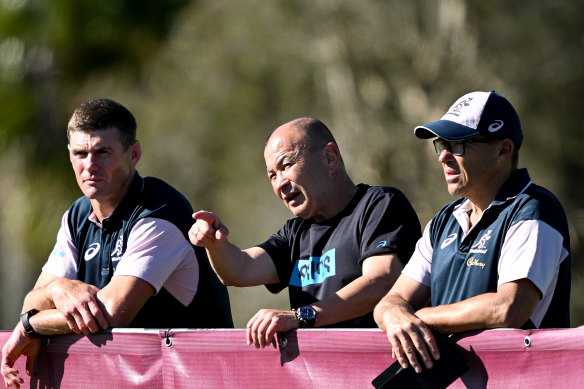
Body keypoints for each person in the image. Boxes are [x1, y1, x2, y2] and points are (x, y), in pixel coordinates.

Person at [2, 98, 233, 388]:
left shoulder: (160, 212)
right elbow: (32, 302)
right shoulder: (77, 215)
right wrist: (58, 289)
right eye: (80, 153)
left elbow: (111, 313)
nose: (90, 165)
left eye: (103, 152)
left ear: (133, 154)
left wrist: (31, 327)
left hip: (196, 379)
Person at [374, 91, 571, 374]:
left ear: (503, 150)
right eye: (442, 144)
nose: (443, 156)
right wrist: (394, 316)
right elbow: (390, 302)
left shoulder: (535, 209)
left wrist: (417, 318)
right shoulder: (444, 220)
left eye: (458, 145)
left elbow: (507, 307)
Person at [189, 117, 421, 349]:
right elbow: (239, 270)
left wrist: (302, 317)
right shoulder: (295, 232)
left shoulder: (379, 204)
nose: (280, 183)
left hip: (379, 369)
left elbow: (381, 282)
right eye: (272, 175)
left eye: (286, 166)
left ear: (329, 158)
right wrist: (215, 244)